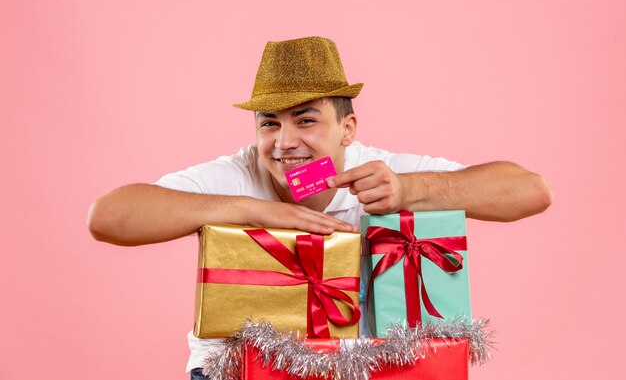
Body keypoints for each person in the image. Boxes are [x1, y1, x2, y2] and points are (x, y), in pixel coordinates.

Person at [87, 36, 553, 379]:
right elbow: (109, 217)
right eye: (270, 123)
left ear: (347, 129)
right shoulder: (236, 173)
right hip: (236, 371)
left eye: (306, 120)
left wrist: (410, 189)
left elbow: (530, 191)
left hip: (361, 369)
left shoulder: (383, 168)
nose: (286, 143)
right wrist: (253, 211)